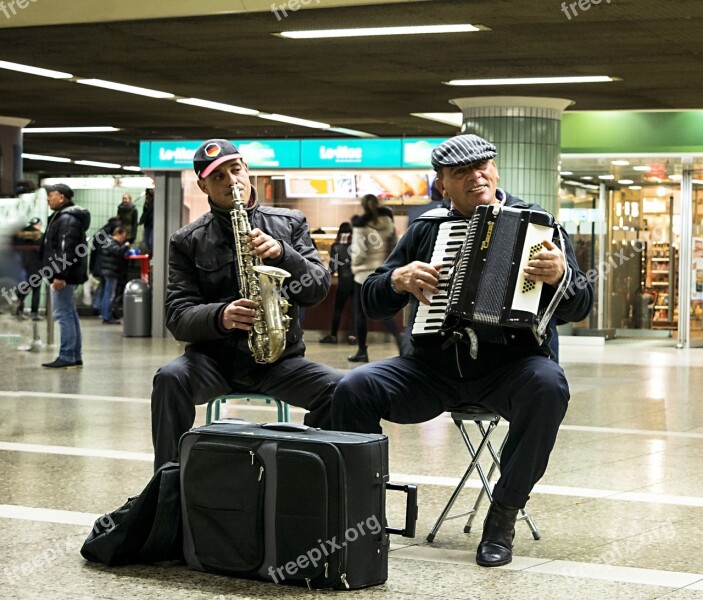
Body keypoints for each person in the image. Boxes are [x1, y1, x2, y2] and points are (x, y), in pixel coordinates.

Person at [329, 134, 593, 567]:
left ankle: (503, 516)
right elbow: (372, 298)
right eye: (460, 173)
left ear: (496, 170)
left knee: (548, 386)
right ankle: (363, 516)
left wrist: (561, 275)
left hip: (510, 368)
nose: (475, 177)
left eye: (482, 166)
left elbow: (580, 306)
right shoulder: (426, 229)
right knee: (354, 387)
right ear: (442, 186)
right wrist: (397, 281)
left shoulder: (538, 224)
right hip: (432, 370)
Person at [151, 139, 343, 470]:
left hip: (281, 363)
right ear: (203, 185)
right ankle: (167, 485)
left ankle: (312, 476)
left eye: (235, 170)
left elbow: (317, 288)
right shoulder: (186, 241)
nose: (231, 181)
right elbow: (177, 316)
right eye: (218, 177)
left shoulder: (290, 223)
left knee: (345, 390)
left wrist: (284, 254)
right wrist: (220, 316)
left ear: (247, 170)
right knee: (169, 378)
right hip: (214, 362)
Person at [39, 183, 91, 368]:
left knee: (63, 315)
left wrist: (59, 274)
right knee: (69, 313)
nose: (48, 198)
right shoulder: (65, 217)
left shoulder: (67, 219)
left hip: (63, 275)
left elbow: (65, 249)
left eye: (51, 195)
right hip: (68, 274)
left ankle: (68, 355)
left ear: (61, 197)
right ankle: (74, 355)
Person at [348, 194, 402, 362]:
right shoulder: (388, 222)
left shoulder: (360, 226)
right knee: (383, 311)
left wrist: (354, 266)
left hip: (363, 275)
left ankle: (362, 351)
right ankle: (400, 340)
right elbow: (395, 244)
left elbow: (358, 253)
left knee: (361, 314)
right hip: (384, 273)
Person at [319, 222, 356, 344]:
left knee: (338, 309)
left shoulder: (336, 245)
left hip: (344, 282)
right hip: (357, 282)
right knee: (356, 309)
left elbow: (332, 268)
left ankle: (334, 336)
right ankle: (352, 337)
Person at [12, 217, 43, 320]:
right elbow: (43, 253)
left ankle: (19, 310)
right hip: (36, 267)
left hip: (21, 267)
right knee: (36, 291)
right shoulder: (40, 236)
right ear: (38, 225)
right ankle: (34, 314)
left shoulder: (19, 235)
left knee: (22, 289)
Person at [100, 226, 130, 324]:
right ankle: (107, 316)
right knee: (110, 295)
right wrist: (126, 246)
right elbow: (118, 251)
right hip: (111, 272)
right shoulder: (111, 242)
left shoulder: (109, 242)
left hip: (109, 271)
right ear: (118, 234)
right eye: (123, 236)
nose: (124, 239)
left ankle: (107, 314)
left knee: (107, 294)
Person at [139, 189, 154, 254]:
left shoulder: (157, 198)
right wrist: (141, 221)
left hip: (153, 223)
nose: (151, 190)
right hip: (147, 223)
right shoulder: (148, 199)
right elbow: (145, 212)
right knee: (148, 242)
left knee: (151, 242)